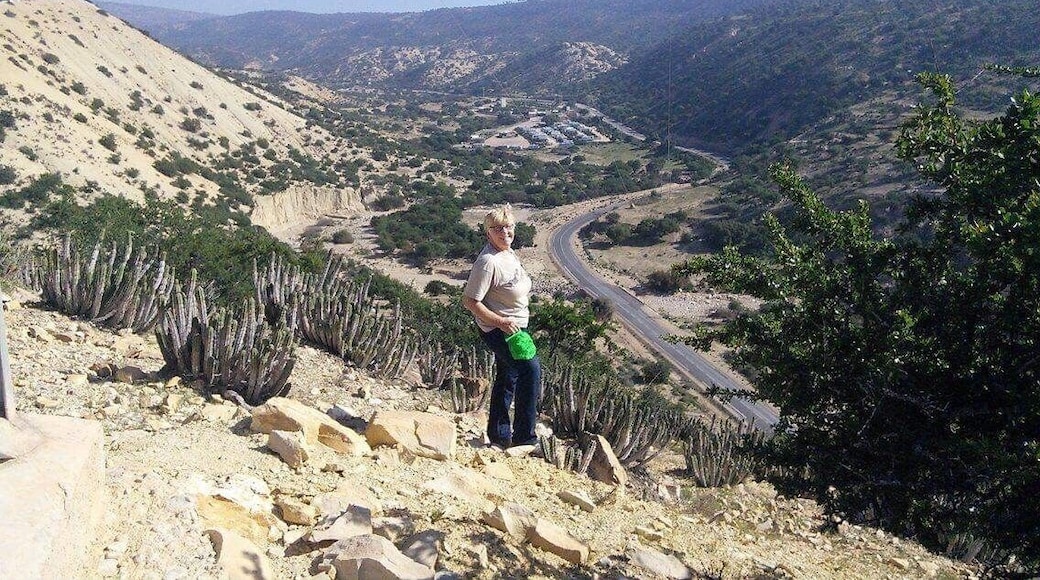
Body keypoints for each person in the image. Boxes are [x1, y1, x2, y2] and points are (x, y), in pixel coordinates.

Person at [462, 205, 541, 449]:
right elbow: (470, 301)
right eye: (497, 228)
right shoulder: (488, 262)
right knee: (530, 371)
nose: (504, 232)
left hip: (515, 326)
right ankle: (524, 438)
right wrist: (501, 322)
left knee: (507, 376)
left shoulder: (508, 253)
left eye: (508, 227)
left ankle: (499, 435)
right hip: (500, 329)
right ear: (488, 233)